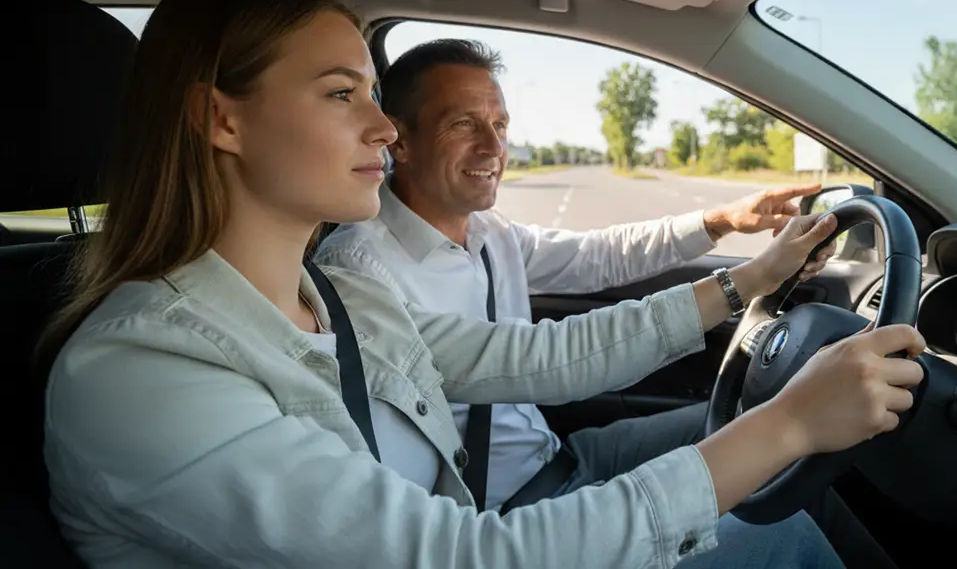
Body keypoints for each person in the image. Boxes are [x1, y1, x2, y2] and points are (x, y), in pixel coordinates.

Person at [41, 0, 924, 569]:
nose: (382, 128)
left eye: (373, 96)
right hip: (492, 535)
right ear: (222, 120)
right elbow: (463, 555)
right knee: (779, 529)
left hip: (503, 512)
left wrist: (747, 280)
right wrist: (788, 425)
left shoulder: (336, 301)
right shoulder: (141, 372)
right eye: (342, 94)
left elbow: (544, 357)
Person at [313, 39, 893, 568]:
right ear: (400, 139)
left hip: (559, 460)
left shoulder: (491, 233)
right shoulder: (361, 270)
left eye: (500, 124)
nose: (493, 146)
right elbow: (542, 360)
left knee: (762, 433)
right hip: (501, 524)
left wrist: (721, 220)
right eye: (463, 124)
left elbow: (600, 256)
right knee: (782, 531)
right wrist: (749, 279)